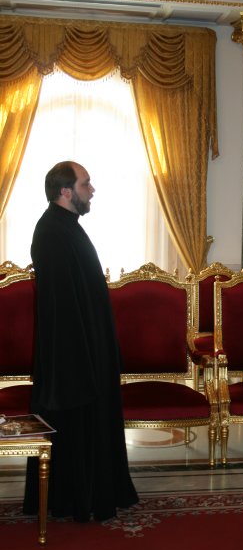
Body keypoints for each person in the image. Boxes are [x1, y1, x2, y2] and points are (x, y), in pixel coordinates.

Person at [23, 161, 138, 521]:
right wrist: (85, 360)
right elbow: (62, 308)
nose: (92, 190)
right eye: (86, 184)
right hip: (73, 357)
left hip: (88, 350)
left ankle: (96, 494)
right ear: (65, 191)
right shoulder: (52, 232)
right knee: (77, 428)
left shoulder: (66, 227)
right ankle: (78, 499)